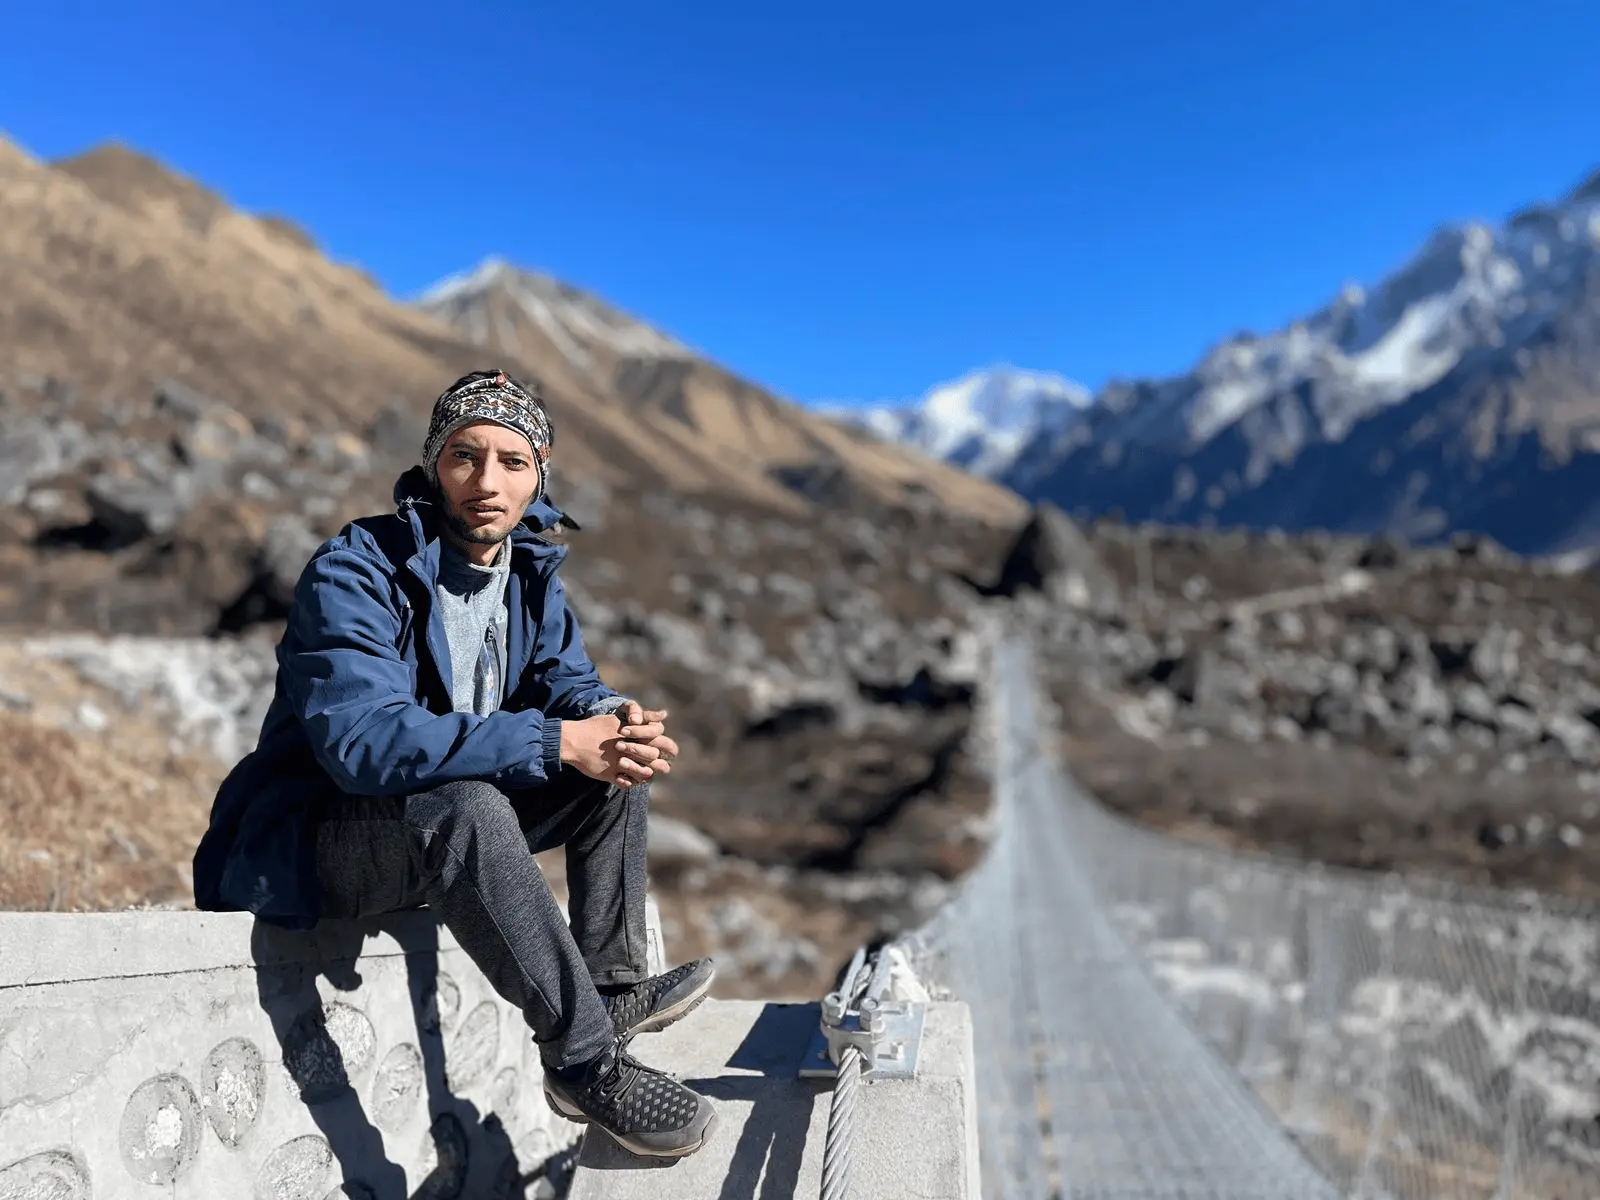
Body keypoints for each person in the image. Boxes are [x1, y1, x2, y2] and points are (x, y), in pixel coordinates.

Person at [193, 369, 718, 1159]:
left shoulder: (529, 577)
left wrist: (613, 723)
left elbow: (565, 684)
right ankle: (581, 1063)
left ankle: (606, 993)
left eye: (513, 461)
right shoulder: (357, 569)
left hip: (426, 824)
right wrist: (549, 742)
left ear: (541, 473)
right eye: (465, 456)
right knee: (466, 802)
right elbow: (363, 742)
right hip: (320, 842)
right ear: (433, 463)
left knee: (608, 771)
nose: (487, 481)